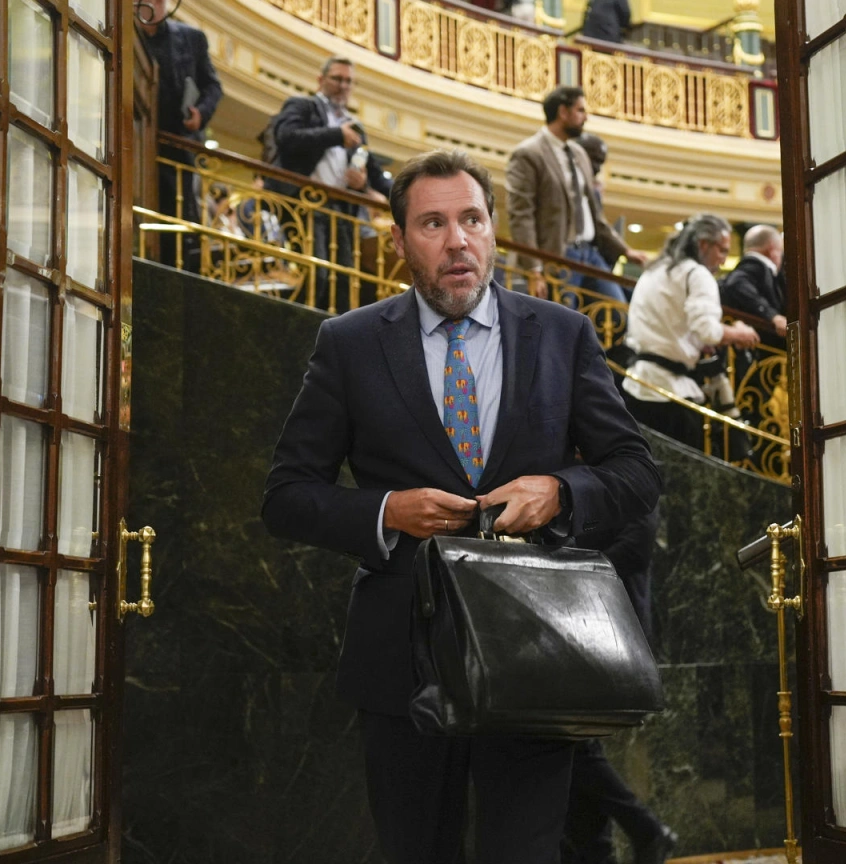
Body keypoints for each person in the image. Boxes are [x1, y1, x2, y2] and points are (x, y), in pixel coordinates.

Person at [262, 149, 662, 864]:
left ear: (492, 229)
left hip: (537, 652)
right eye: (433, 223)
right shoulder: (349, 344)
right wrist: (388, 512)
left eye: (472, 219)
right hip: (401, 660)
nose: (457, 241)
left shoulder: (561, 333)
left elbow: (636, 471)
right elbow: (287, 496)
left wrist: (559, 491)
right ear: (399, 241)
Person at [562, 509, 679, 864]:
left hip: (610, 634)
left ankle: (645, 829)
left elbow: (634, 550)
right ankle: (604, 851)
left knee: (576, 744)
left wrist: (565, 574)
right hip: (575, 630)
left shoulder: (633, 491)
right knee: (574, 745)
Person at [621, 215, 759, 449]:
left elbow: (673, 324)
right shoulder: (697, 274)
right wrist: (740, 333)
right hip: (670, 395)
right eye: (722, 250)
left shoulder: (655, 269)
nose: (724, 259)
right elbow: (708, 331)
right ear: (703, 244)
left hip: (636, 386)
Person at [270, 57, 392, 312]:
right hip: (305, 203)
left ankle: (332, 335)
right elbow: (286, 137)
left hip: (340, 212)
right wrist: (336, 135)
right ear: (320, 80)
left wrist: (364, 186)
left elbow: (376, 176)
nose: (343, 86)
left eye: (348, 81)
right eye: (337, 78)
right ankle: (299, 328)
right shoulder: (303, 106)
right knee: (317, 273)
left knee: (345, 282)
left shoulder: (355, 127)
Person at [506, 87, 648, 304]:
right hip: (558, 258)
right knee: (565, 321)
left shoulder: (580, 154)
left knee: (617, 313)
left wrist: (625, 251)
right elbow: (521, 216)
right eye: (580, 110)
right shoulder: (528, 154)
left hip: (590, 254)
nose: (586, 117)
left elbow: (595, 215)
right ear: (563, 112)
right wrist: (534, 270)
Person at [137, 0, 222, 264]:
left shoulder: (191, 38)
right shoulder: (124, 34)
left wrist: (200, 113)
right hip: (134, 142)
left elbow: (213, 87)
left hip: (176, 147)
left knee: (176, 223)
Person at [718, 224, 787, 349]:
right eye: (779, 251)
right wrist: (773, 316)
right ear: (771, 249)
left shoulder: (751, 268)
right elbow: (736, 283)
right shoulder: (756, 267)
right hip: (760, 351)